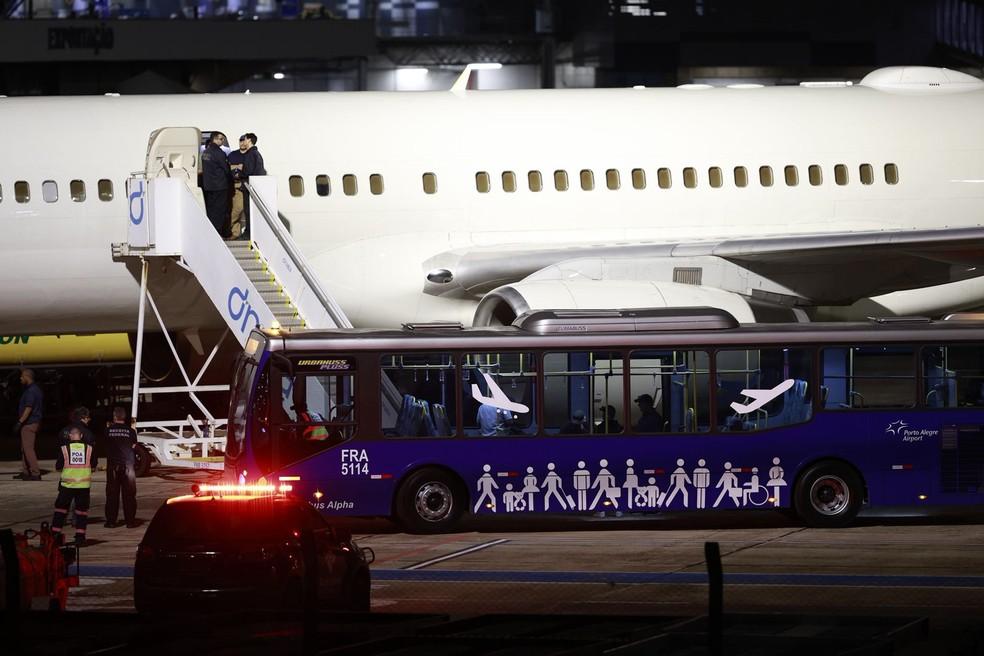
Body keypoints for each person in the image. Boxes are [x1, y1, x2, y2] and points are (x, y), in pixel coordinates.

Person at [51, 427, 93, 546]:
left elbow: (58, 466)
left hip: (67, 485)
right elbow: (94, 464)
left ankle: (55, 536)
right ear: (81, 436)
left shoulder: (64, 449)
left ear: (70, 436)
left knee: (60, 511)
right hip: (83, 486)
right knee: (81, 512)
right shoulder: (89, 448)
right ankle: (80, 537)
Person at [103, 407, 138, 528]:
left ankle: (111, 521)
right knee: (129, 495)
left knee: (112, 494)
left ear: (114, 416)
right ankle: (130, 521)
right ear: (124, 417)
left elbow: (105, 445)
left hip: (113, 465)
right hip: (128, 466)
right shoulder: (131, 431)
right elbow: (133, 446)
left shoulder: (108, 431)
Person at [235, 132, 266, 240]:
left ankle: (248, 233)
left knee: (248, 211)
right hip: (254, 186)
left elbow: (248, 171)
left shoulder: (250, 154)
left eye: (245, 139)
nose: (243, 141)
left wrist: (240, 171)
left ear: (249, 140)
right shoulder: (256, 154)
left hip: (249, 186)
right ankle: (249, 232)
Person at [13, 368, 43, 480]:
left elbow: (28, 408)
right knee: (24, 448)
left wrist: (19, 422)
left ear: (27, 376)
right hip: (32, 422)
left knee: (28, 449)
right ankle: (26, 472)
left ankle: (35, 473)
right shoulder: (36, 389)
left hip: (29, 423)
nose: (20, 378)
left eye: (22, 376)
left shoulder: (31, 391)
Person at [200, 131, 232, 237]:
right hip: (220, 186)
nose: (222, 141)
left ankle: (210, 232)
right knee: (219, 210)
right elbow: (226, 169)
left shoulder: (206, 152)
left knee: (210, 209)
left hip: (208, 186)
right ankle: (217, 233)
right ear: (215, 139)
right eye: (221, 139)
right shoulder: (219, 153)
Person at [55, 406, 97, 472]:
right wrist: (93, 465)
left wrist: (59, 466)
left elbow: (60, 451)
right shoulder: (88, 433)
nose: (89, 420)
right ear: (84, 418)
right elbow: (92, 453)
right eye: (88, 418)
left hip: (67, 473)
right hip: (83, 473)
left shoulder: (63, 431)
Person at [227, 135, 248, 239]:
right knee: (236, 209)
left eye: (244, 141)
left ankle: (233, 232)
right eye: (241, 141)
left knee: (239, 210)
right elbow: (226, 168)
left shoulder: (250, 155)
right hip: (234, 185)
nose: (242, 143)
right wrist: (237, 166)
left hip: (245, 185)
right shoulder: (232, 155)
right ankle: (229, 230)